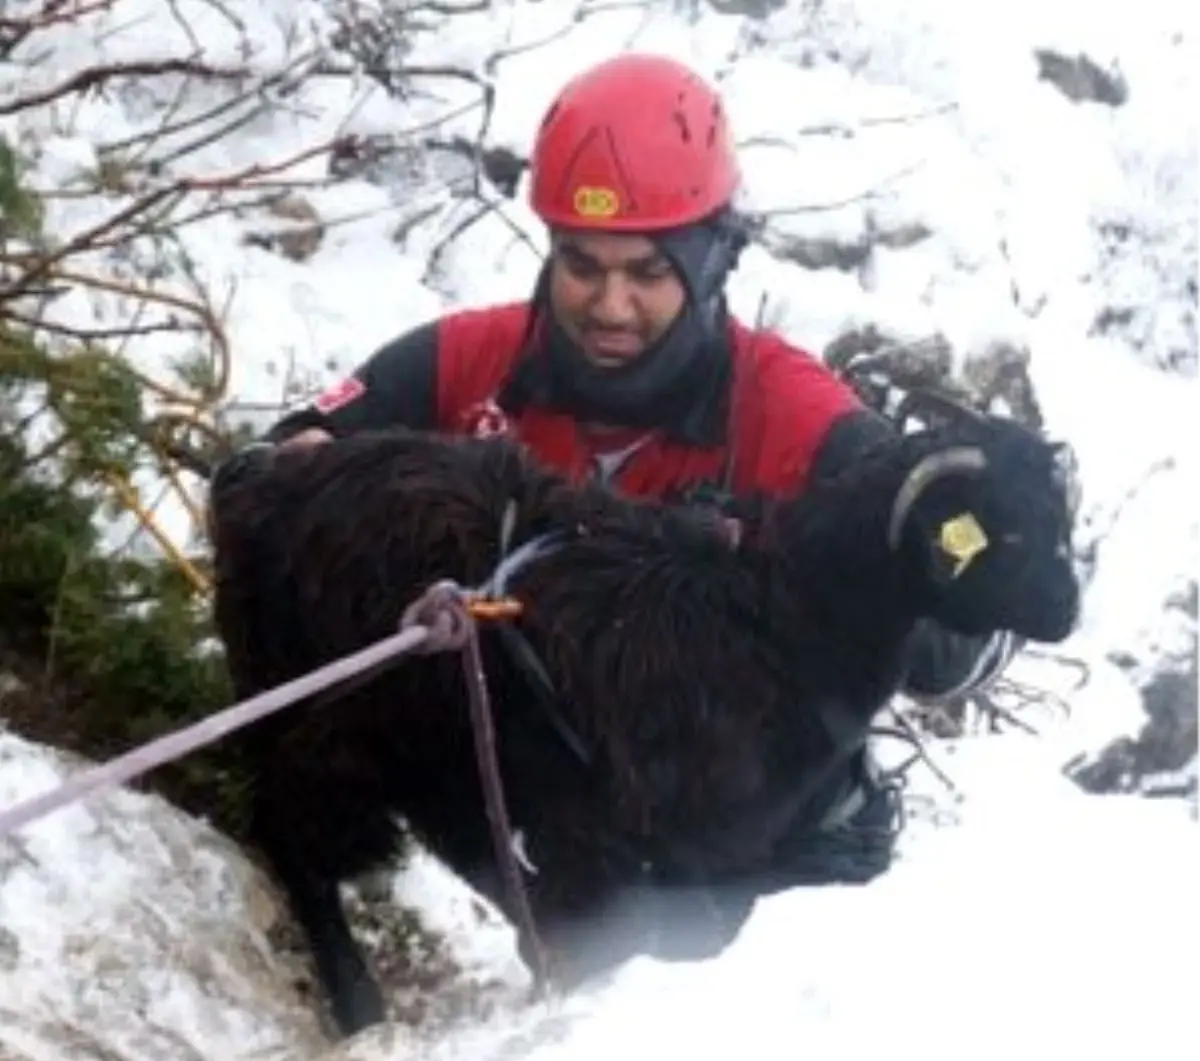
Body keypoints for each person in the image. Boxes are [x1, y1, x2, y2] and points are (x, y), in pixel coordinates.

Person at [234, 52, 1017, 886]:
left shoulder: (791, 415)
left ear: (712, 259)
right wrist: (291, 469)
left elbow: (965, 602)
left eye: (648, 272)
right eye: (582, 265)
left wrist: (919, 605)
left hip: (703, 823)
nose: (610, 307)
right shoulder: (467, 361)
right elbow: (283, 461)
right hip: (510, 787)